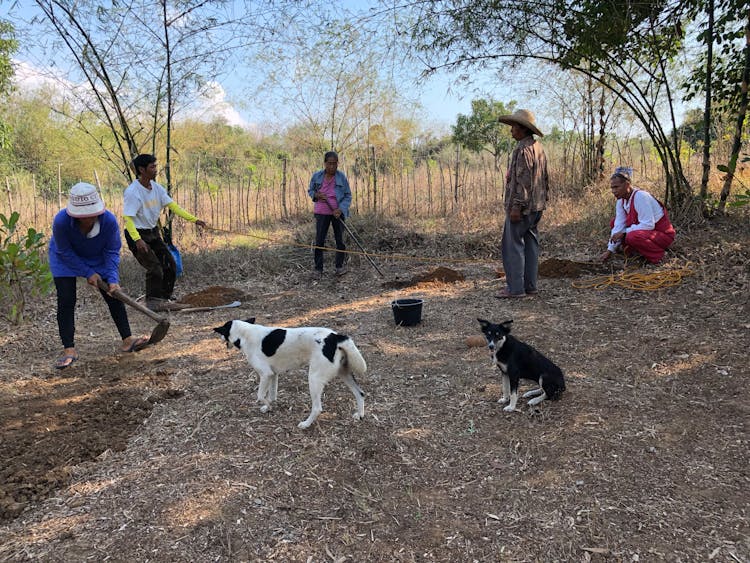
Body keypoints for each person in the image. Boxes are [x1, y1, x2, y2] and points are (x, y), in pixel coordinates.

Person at [49, 183, 150, 369]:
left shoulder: (109, 221)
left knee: (113, 295)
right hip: (65, 259)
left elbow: (112, 251)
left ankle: (128, 340)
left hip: (98, 257)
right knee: (66, 299)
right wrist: (88, 273)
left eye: (91, 214)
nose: (88, 219)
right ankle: (69, 350)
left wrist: (112, 278)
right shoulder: (61, 221)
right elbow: (63, 251)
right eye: (83, 216)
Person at [123, 154, 206, 310]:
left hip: (153, 232)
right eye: (152, 167)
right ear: (141, 169)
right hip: (138, 234)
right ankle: (153, 302)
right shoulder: (133, 192)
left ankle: (164, 298)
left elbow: (174, 207)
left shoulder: (157, 188)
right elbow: (128, 218)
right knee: (154, 268)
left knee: (170, 264)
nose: (156, 170)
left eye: (156, 166)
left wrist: (195, 220)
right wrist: (137, 240)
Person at [497, 109, 550, 298]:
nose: (511, 131)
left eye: (513, 127)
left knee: (513, 246)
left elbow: (524, 180)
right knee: (530, 245)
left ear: (522, 129)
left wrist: (517, 206)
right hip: (537, 206)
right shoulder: (538, 148)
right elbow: (544, 179)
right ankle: (530, 286)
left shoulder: (522, 149)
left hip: (523, 207)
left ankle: (515, 289)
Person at [599, 168, 676, 264]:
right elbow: (619, 225)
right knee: (614, 223)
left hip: (661, 235)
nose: (613, 191)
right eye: (612, 188)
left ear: (627, 185)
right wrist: (610, 250)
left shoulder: (641, 197)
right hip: (646, 234)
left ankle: (659, 256)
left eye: (616, 187)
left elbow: (648, 225)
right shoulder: (621, 201)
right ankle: (638, 252)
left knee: (632, 236)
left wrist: (624, 232)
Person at [307, 151, 352, 278]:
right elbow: (310, 190)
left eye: (334, 164)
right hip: (322, 212)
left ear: (338, 163)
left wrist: (341, 209)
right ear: (325, 163)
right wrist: (316, 195)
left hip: (337, 212)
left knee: (340, 240)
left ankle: (339, 267)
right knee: (319, 240)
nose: (332, 167)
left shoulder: (341, 177)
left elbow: (348, 195)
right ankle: (318, 269)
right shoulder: (317, 176)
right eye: (329, 164)